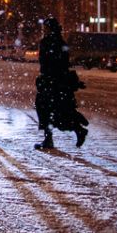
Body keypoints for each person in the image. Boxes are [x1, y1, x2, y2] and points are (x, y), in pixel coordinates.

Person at [34, 17, 88, 150]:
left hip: (51, 82)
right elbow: (64, 63)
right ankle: (76, 129)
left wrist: (47, 76)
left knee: (47, 109)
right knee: (61, 110)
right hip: (59, 82)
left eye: (45, 28)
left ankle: (49, 139)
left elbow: (46, 63)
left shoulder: (47, 42)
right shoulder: (61, 42)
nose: (44, 31)